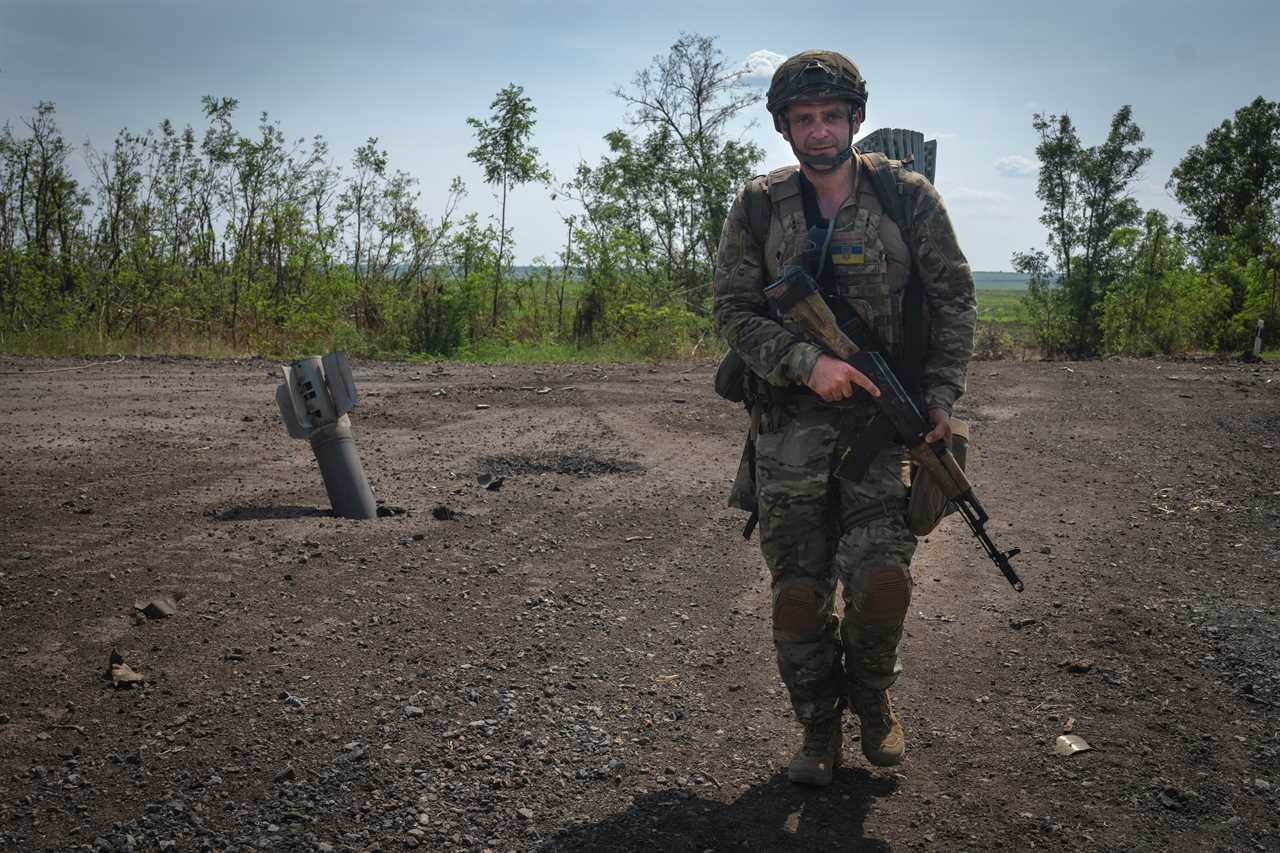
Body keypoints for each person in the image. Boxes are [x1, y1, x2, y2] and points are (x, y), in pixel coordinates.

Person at [712, 50, 976, 785]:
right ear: (785, 126)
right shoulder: (759, 205)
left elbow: (954, 301)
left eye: (833, 116)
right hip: (788, 433)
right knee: (798, 594)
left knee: (883, 579)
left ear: (855, 119)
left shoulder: (907, 198)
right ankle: (818, 730)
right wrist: (810, 364)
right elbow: (732, 311)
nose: (820, 131)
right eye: (805, 118)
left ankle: (874, 697)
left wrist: (940, 399)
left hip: (885, 430)